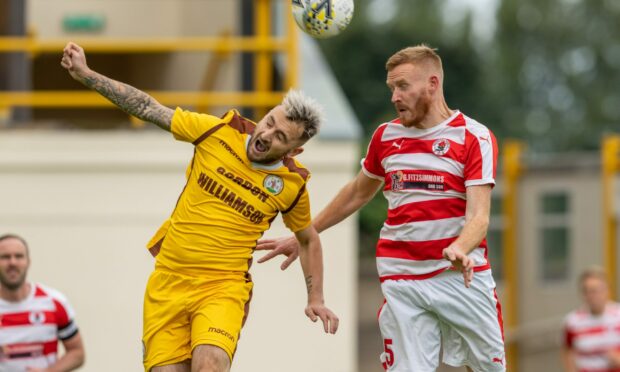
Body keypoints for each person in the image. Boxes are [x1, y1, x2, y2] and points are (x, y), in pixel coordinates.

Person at [61, 42, 338, 372]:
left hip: (222, 287)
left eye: (280, 137)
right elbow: (149, 108)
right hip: (169, 281)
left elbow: (308, 238)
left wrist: (316, 298)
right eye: (268, 122)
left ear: (294, 152)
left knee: (209, 363)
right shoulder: (219, 131)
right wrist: (87, 75)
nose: (265, 134)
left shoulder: (292, 185)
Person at [257, 44, 505, 371]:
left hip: (459, 277)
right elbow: (357, 193)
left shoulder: (474, 137)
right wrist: (306, 233)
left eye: (402, 86)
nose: (394, 96)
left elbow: (479, 216)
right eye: (391, 88)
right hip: (402, 276)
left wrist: (459, 248)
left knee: (491, 367)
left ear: (432, 83)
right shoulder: (386, 137)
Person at [0, 234, 85, 371]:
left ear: (28, 261)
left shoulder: (53, 302)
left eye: (19, 256)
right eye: (5, 257)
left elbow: (77, 353)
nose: (13, 262)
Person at [563, 267, 620, 372]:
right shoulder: (573, 321)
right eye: (586, 291)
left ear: (607, 290)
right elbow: (568, 351)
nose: (591, 296)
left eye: (595, 291)